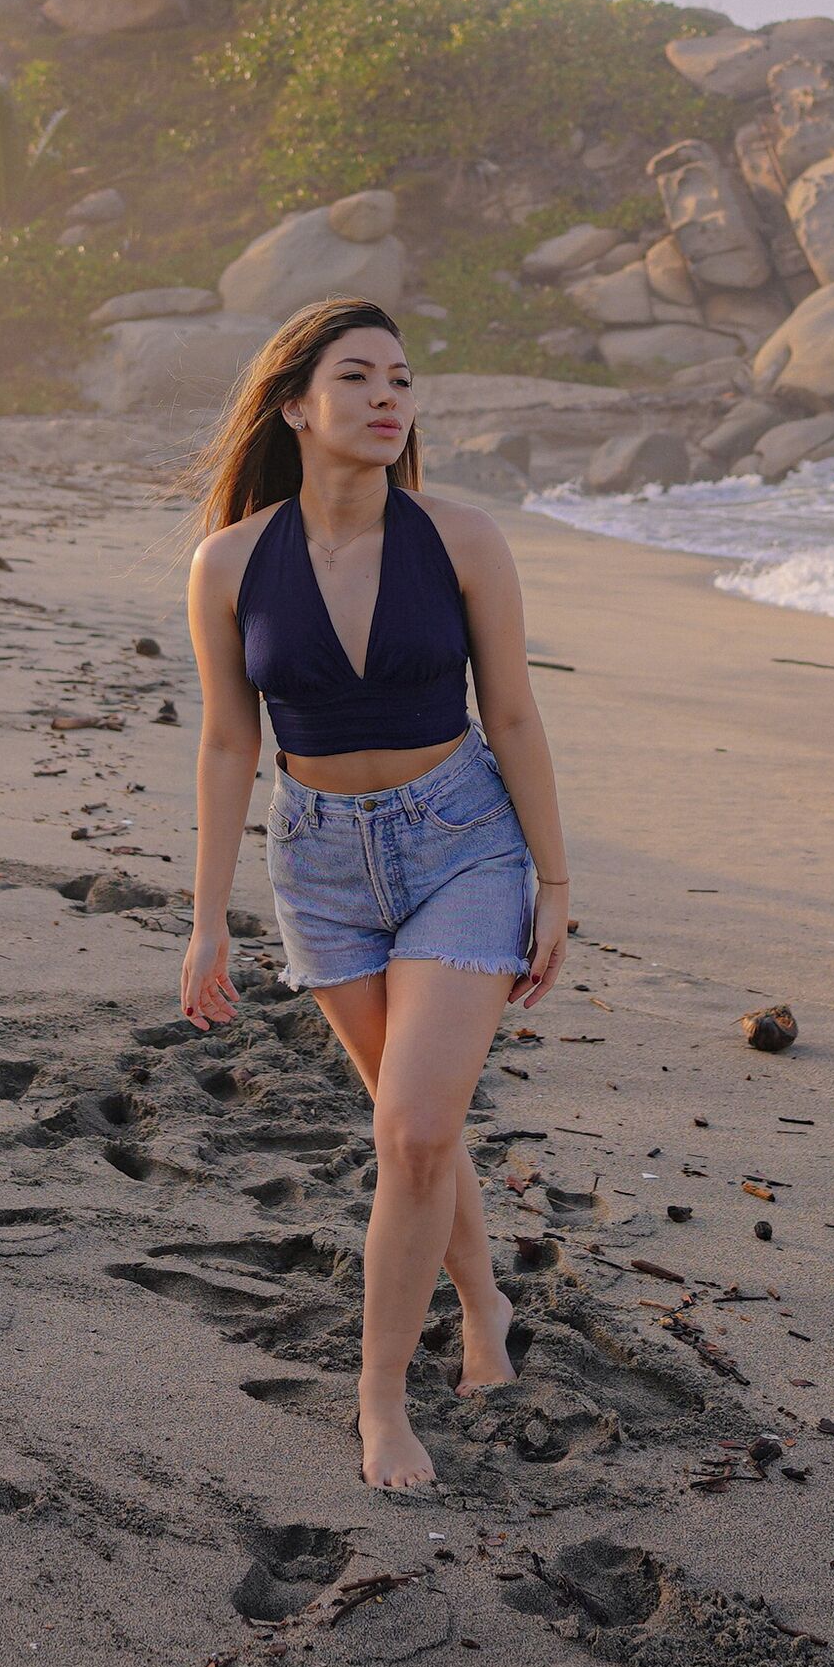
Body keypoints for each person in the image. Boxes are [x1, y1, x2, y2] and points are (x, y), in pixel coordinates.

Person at [177, 297, 572, 1492]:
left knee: (410, 1132)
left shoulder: (460, 540)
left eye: (403, 379)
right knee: (420, 1130)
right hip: (322, 867)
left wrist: (555, 880)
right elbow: (226, 745)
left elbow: (510, 712)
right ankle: (486, 1307)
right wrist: (204, 920)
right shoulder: (232, 560)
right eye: (359, 378)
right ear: (298, 403)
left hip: (463, 845)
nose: (390, 399)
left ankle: (382, 1403)